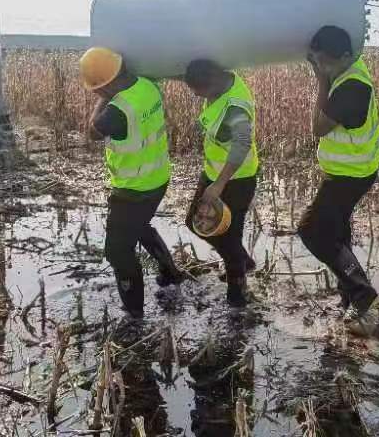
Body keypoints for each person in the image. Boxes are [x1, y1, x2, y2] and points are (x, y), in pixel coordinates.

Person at [80, 47, 184, 319]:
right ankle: (171, 273)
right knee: (139, 226)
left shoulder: (117, 111)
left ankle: (134, 312)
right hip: (157, 180)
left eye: (96, 88)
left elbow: (92, 131)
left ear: (103, 85)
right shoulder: (149, 86)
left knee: (117, 252)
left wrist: (104, 98)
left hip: (133, 190)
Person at [299, 25, 379, 334]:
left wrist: (321, 81)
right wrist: (324, 69)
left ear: (347, 56)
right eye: (318, 61)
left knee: (311, 231)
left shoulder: (352, 88)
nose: (322, 67)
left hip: (352, 174)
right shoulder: (348, 70)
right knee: (336, 232)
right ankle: (349, 296)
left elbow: (318, 127)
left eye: (327, 62)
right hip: (350, 170)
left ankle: (361, 291)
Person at [183, 60, 259, 308]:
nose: (197, 96)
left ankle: (237, 298)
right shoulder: (220, 79)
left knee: (229, 238)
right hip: (213, 172)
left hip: (236, 180)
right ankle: (242, 261)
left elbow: (242, 145)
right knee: (195, 223)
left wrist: (219, 185)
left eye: (199, 91)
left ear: (213, 82)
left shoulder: (235, 108)